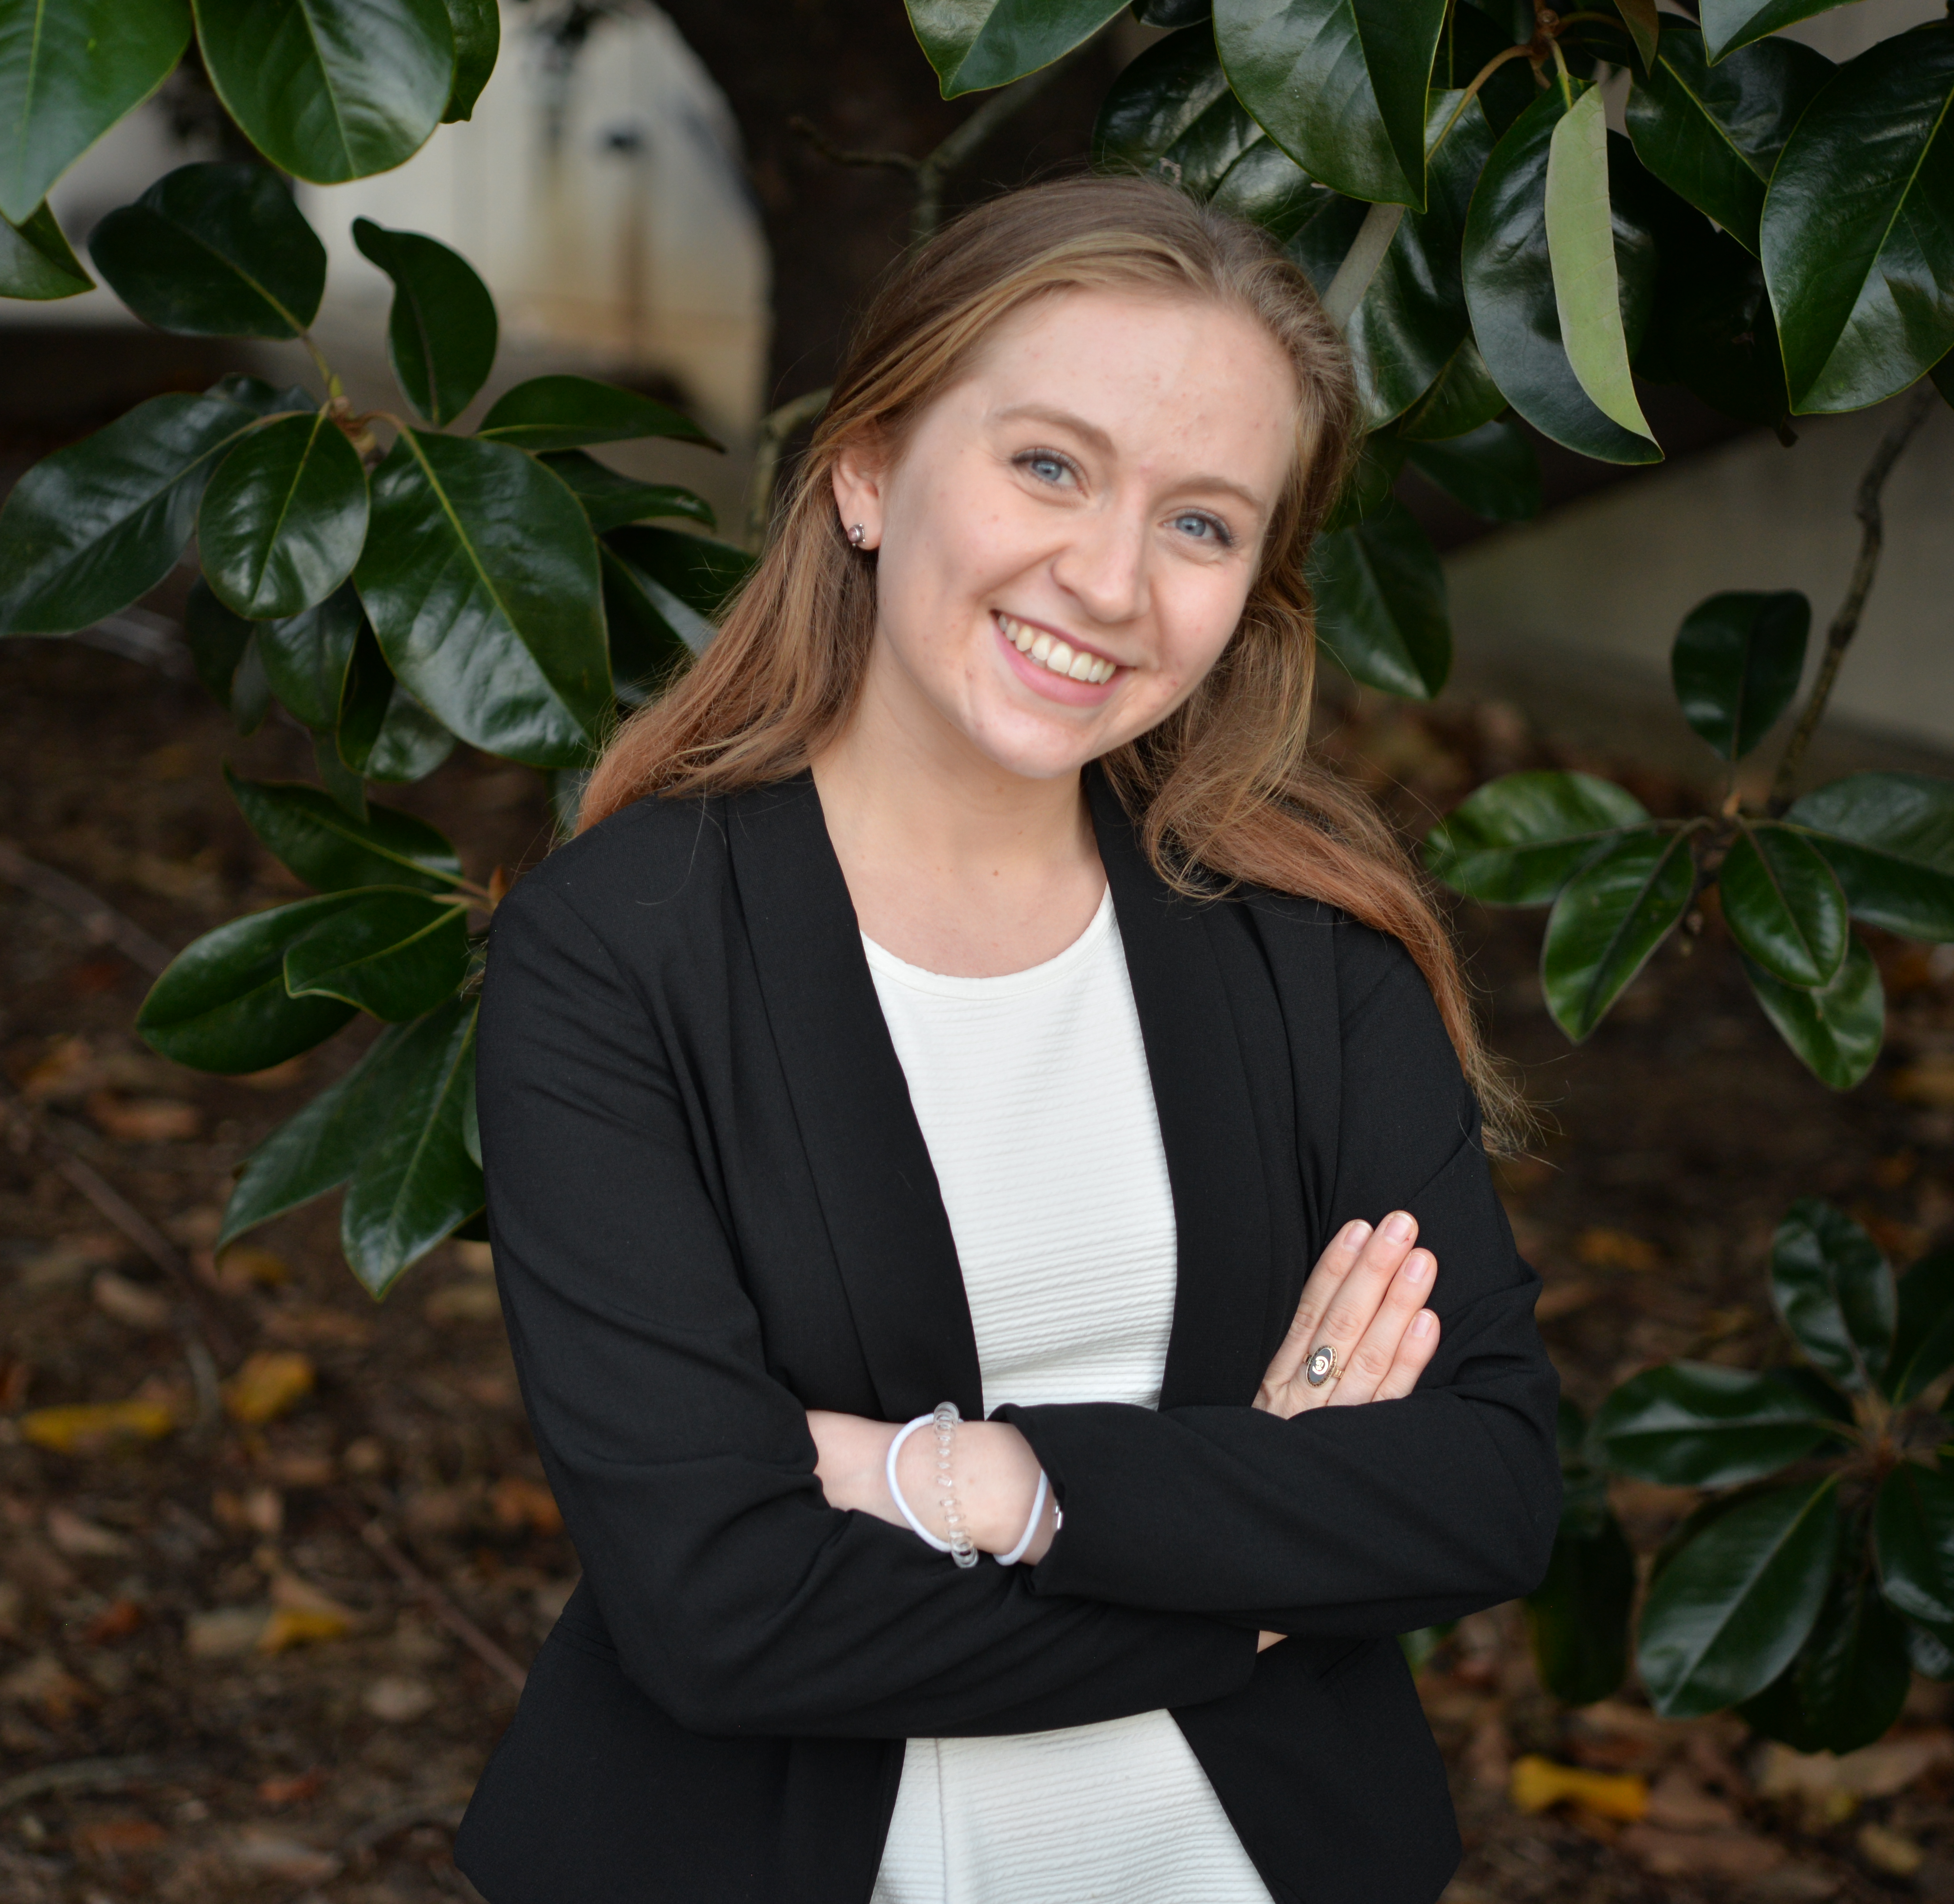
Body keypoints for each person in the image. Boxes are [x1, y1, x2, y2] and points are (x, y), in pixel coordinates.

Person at [453, 174, 1561, 1904]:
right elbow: (722, 1617)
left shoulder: (1311, 948)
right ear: (870, 469)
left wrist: (982, 1480)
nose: (1111, 580)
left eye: (1203, 525)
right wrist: (1257, 1586)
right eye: (1049, 466)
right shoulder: (621, 950)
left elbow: (1485, 1488)